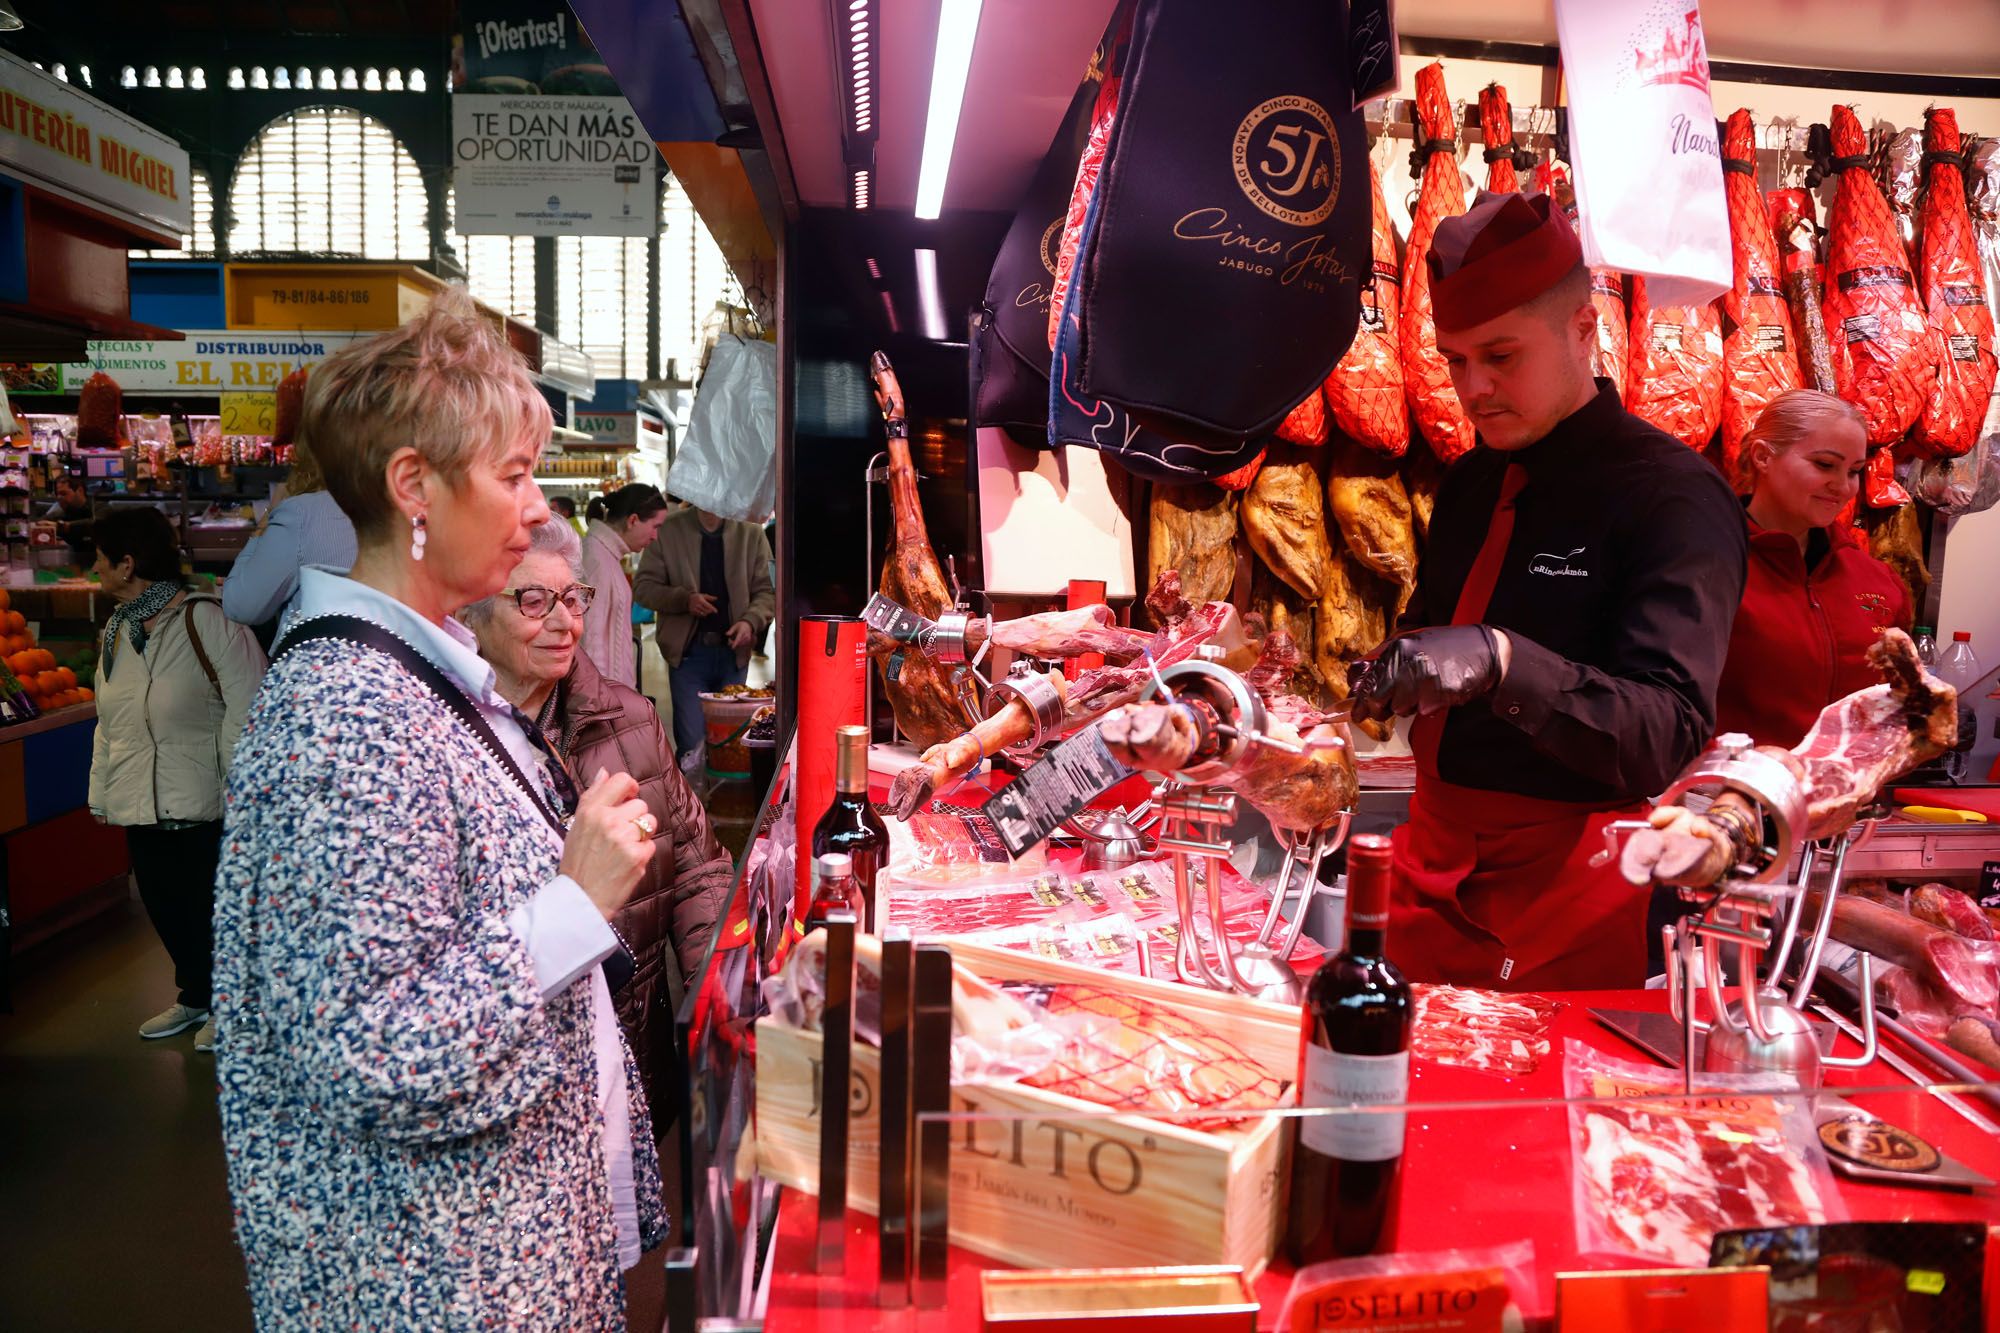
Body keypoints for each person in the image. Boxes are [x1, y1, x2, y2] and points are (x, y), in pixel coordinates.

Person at [210, 289, 671, 1331]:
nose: (537, 509)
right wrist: (574, 897)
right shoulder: (348, 712)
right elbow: (372, 1049)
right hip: (435, 1278)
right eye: (511, 476)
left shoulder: (417, 675)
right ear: (412, 485)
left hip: (491, 1257)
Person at [1346, 191, 1747, 991]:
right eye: (1456, 360)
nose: (1474, 387)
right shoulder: (1470, 480)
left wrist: (1503, 662)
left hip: (1563, 896)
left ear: (1583, 330)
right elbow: (1435, 626)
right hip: (1430, 865)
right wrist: (1397, 667)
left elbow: (1666, 728)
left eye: (1501, 355)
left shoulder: (1674, 497)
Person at [462, 516, 736, 1118]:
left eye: (572, 598)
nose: (564, 623)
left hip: (637, 1049)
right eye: (533, 601)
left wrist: (718, 994)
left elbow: (697, 869)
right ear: (472, 615)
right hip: (524, 1086)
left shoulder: (631, 720)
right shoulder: (452, 744)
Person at [87, 506, 264, 1053]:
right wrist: (102, 793)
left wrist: (240, 789)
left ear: (126, 563)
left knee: (212, 910)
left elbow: (250, 706)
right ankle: (196, 995)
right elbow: (109, 720)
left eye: (99, 559)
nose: (94, 570)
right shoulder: (118, 630)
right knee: (165, 907)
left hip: (207, 801)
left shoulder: (204, 619)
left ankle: (232, 1006)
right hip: (140, 799)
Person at [1715, 390, 1911, 747]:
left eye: (1854, 471)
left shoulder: (1877, 580)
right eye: (1824, 465)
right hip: (1727, 793)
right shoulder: (1704, 563)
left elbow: (1893, 702)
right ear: (1762, 457)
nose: (1843, 487)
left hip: (1845, 793)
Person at [633, 505, 775, 759]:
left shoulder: (750, 531)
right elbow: (644, 587)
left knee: (731, 742)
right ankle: (692, 798)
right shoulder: (670, 529)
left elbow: (767, 590)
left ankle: (722, 798)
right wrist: (684, 600)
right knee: (691, 744)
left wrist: (750, 621)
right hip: (688, 654)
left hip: (734, 654)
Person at [220, 436, 359, 633]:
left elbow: (240, 606)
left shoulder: (302, 514)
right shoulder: (404, 510)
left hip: (315, 658)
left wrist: (269, 514)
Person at [581, 483, 671, 689]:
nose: (655, 536)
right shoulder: (596, 560)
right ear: (633, 520)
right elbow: (591, 640)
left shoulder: (606, 556)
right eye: (655, 526)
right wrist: (601, 705)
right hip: (604, 697)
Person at [48, 472, 95, 563]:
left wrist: (62, 526)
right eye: (57, 494)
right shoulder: (64, 513)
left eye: (63, 494)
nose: (59, 498)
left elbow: (94, 523)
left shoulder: (98, 507)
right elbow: (46, 520)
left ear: (80, 491)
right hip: (77, 567)